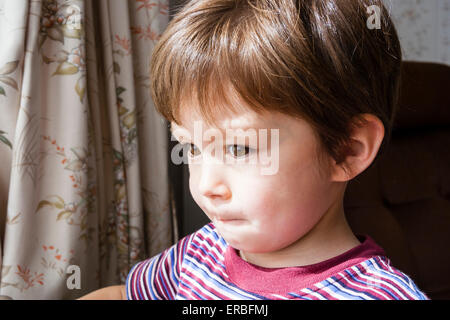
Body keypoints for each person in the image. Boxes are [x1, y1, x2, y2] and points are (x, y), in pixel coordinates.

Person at [79, 0, 429, 300]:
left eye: (239, 148)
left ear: (346, 150)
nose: (205, 186)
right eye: (192, 148)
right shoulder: (202, 252)